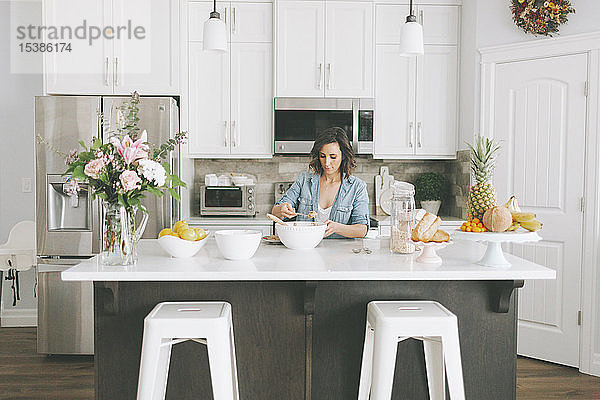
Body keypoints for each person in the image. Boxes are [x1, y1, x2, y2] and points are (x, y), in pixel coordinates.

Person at [272, 127, 369, 238]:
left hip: (340, 253)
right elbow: (275, 212)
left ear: (343, 156)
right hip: (305, 247)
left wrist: (337, 228)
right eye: (322, 156)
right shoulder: (304, 180)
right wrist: (282, 209)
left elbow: (362, 229)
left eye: (333, 157)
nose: (327, 163)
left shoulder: (357, 187)